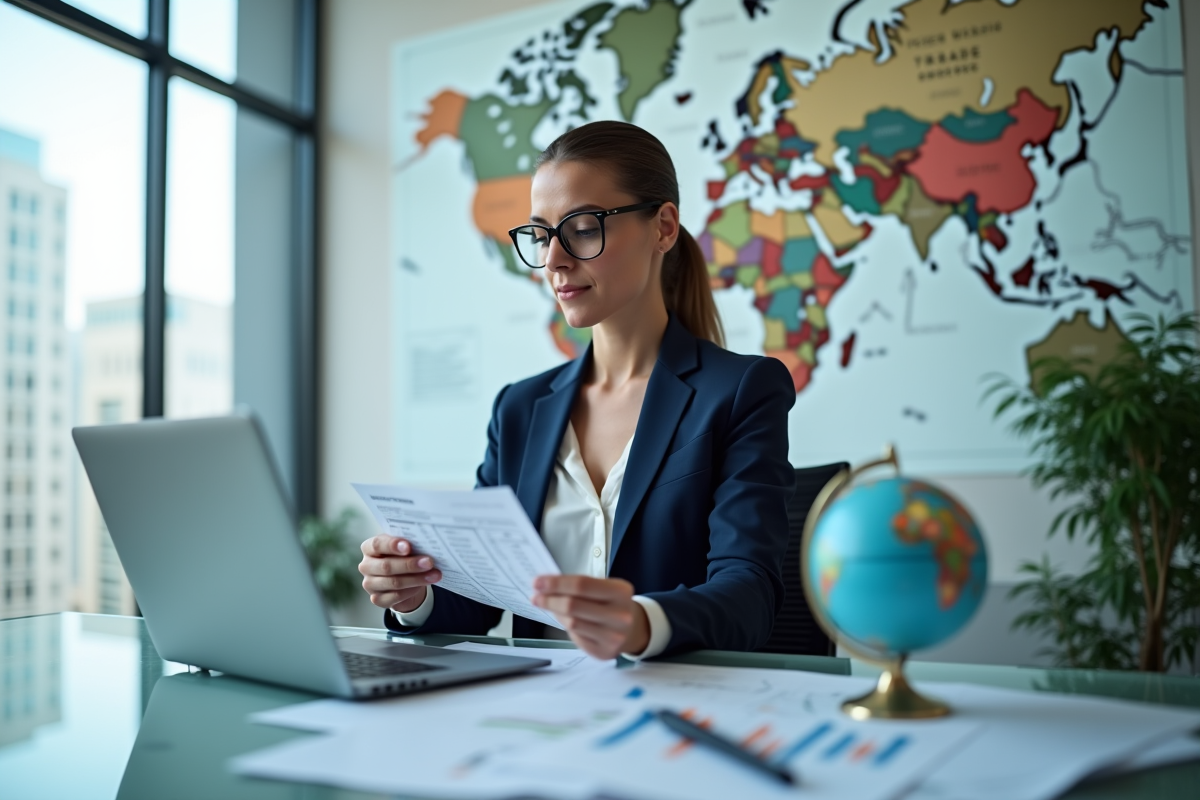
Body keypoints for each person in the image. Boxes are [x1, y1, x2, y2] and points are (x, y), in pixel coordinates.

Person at [359, 120, 795, 660]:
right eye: (542, 235)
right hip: (538, 701)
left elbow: (749, 596)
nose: (554, 260)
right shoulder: (519, 410)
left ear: (663, 228)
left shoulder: (739, 392)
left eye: (583, 229)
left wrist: (641, 622)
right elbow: (479, 601)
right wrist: (416, 594)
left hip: (668, 697)